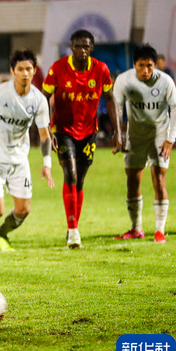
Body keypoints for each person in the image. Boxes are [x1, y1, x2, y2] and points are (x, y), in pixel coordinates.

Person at [0, 49, 54, 251]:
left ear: (34, 70)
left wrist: (47, 164)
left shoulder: (39, 100)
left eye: (28, 69)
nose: (25, 73)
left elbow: (44, 135)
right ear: (13, 71)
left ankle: (1, 234)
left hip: (19, 160)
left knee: (23, 210)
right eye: (20, 69)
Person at [41, 29, 122, 249]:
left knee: (80, 180)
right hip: (62, 130)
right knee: (71, 174)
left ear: (92, 48)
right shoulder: (58, 68)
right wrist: (46, 128)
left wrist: (118, 131)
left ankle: (72, 227)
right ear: (71, 47)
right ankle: (74, 231)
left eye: (86, 46)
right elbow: (43, 98)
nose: (82, 50)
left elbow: (110, 98)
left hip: (88, 132)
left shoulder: (101, 69)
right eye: (78, 46)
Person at [113, 44, 176, 242]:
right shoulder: (124, 80)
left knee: (158, 178)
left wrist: (170, 139)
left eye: (149, 66)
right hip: (135, 136)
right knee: (132, 179)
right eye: (141, 65)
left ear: (155, 65)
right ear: (134, 65)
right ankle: (136, 229)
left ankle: (159, 231)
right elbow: (117, 108)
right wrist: (118, 135)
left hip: (159, 134)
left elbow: (175, 108)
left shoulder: (165, 81)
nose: (145, 70)